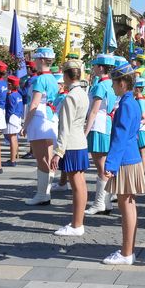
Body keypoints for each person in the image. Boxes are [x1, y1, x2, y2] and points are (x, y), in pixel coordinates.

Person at [102, 63, 145, 265]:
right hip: (130, 157)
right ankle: (128, 251)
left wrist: (110, 164)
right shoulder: (132, 102)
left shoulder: (126, 105)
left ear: (122, 83)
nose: (112, 86)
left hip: (124, 160)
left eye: (114, 83)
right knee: (129, 204)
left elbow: (120, 137)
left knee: (126, 205)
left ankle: (126, 252)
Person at [51, 55, 90, 236]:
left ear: (67, 76)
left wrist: (58, 152)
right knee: (80, 185)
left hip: (72, 144)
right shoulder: (82, 93)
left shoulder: (70, 97)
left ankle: (76, 225)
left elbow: (65, 127)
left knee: (77, 187)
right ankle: (78, 223)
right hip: (80, 142)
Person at [24, 49, 60, 207]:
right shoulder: (52, 78)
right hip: (50, 118)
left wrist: (25, 125)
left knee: (41, 159)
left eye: (36, 59)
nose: (34, 62)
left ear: (41, 60)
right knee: (48, 157)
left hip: (39, 118)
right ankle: (46, 192)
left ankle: (42, 194)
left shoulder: (40, 79)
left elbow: (34, 103)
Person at [84, 54, 117, 216]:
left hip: (98, 126)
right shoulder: (112, 84)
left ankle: (100, 203)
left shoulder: (100, 86)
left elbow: (94, 111)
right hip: (108, 125)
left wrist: (85, 132)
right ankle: (106, 202)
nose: (93, 68)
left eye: (95, 66)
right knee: (105, 166)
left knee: (101, 168)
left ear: (101, 67)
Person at [4, 75, 24, 167]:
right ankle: (13, 158)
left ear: (11, 85)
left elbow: (10, 109)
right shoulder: (18, 94)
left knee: (12, 138)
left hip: (11, 118)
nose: (7, 85)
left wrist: (6, 119)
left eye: (9, 84)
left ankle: (12, 160)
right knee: (14, 138)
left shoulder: (11, 96)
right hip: (17, 117)